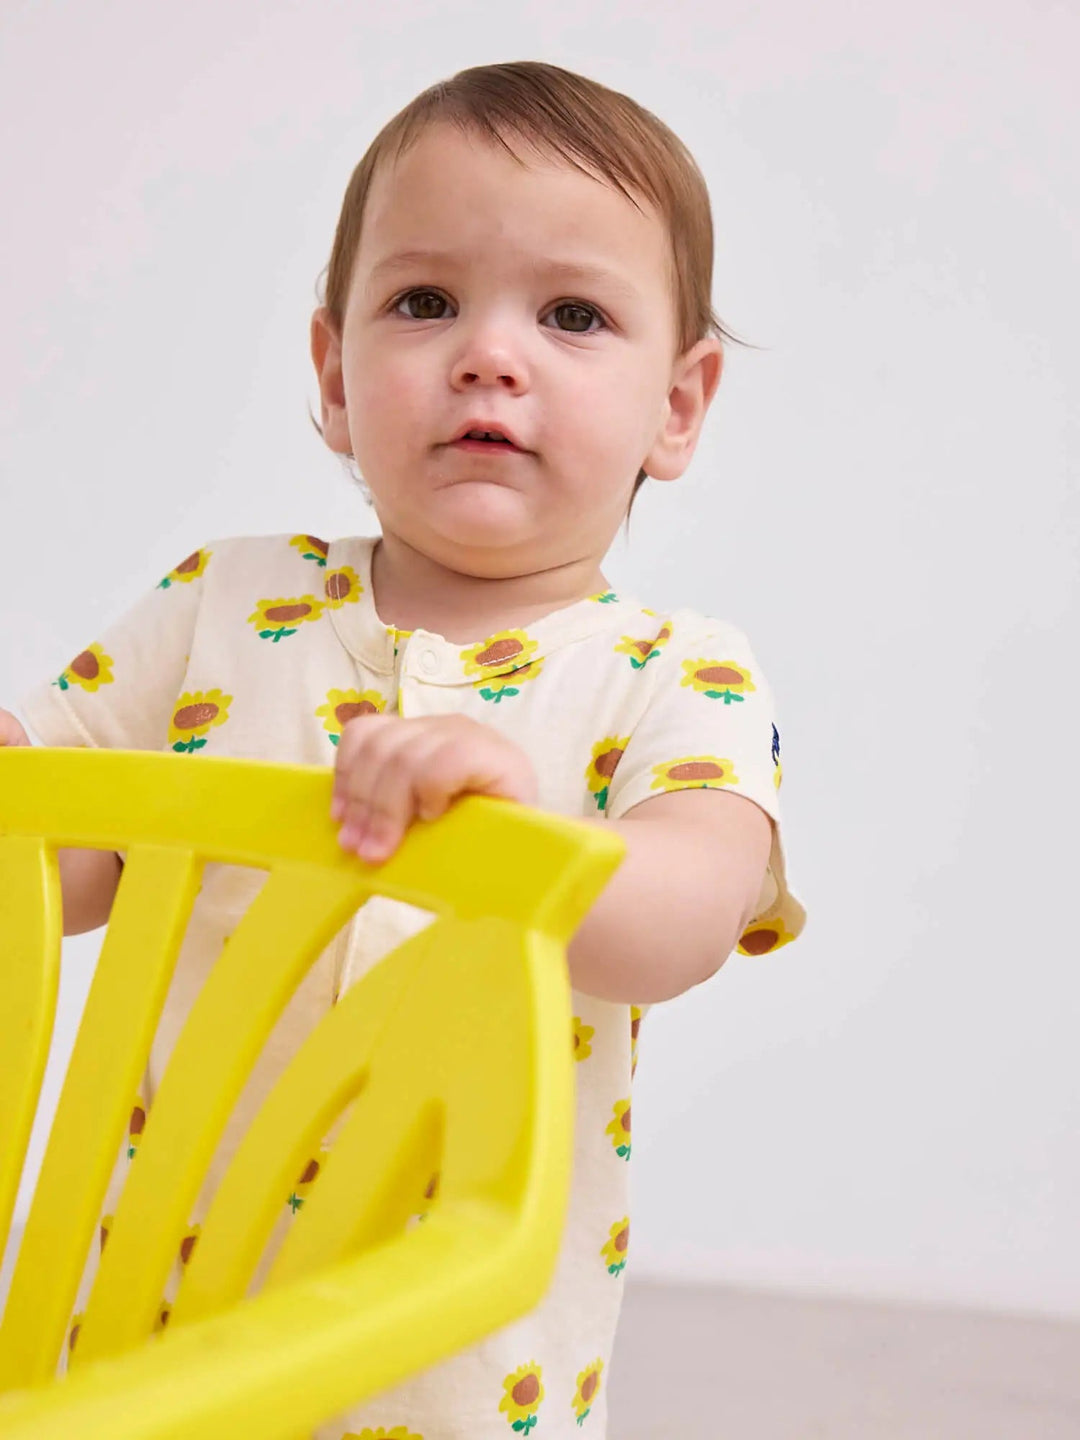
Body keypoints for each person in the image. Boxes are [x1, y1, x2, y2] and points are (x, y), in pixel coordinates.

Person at [1, 60, 807, 1439]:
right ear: (332, 372)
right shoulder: (224, 604)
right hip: (160, 1309)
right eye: (424, 302)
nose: (491, 354)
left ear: (679, 405)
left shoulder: (674, 672)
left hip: (452, 1352)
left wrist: (531, 850)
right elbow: (57, 859)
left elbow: (690, 909)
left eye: (573, 314)